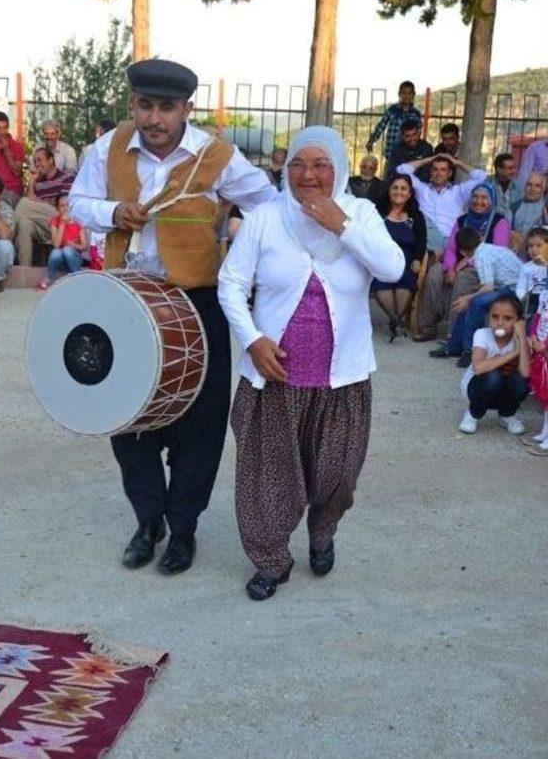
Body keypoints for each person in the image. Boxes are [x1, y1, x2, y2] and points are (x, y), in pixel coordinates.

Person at [69, 58, 277, 575]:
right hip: (127, 297)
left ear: (187, 108)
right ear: (132, 105)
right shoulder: (109, 147)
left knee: (200, 422)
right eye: (145, 106)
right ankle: (148, 521)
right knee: (126, 411)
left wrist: (238, 244)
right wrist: (111, 213)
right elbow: (78, 202)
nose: (154, 118)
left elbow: (269, 207)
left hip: (198, 301)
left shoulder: (218, 156)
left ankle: (183, 528)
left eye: (166, 107)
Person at [218, 126, 404, 601]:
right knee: (268, 474)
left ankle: (323, 530)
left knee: (336, 475)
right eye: (299, 163)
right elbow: (231, 284)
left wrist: (340, 223)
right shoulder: (265, 217)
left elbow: (393, 269)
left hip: (342, 379)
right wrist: (253, 339)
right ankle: (270, 559)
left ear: (338, 170)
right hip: (274, 377)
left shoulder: (360, 213)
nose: (308, 175)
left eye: (321, 165)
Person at [415, 183, 510, 343]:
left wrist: (467, 261)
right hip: (458, 265)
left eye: (484, 197)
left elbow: (496, 253)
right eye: (475, 196)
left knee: (464, 278)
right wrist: (450, 268)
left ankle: (454, 334)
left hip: (484, 269)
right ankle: (428, 327)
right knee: (435, 272)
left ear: (492, 200)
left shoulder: (500, 222)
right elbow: (451, 247)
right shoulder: (462, 220)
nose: (478, 201)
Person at [431, 228, 523, 367]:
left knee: (475, 303)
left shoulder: (482, 256)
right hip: (510, 286)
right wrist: (468, 297)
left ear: (462, 252)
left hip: (516, 290)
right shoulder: (487, 249)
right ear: (479, 238)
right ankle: (454, 346)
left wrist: (468, 297)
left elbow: (488, 287)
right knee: (468, 303)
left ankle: (470, 350)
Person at [457, 294, 529, 435]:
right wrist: (515, 353)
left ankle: (506, 415)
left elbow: (526, 373)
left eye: (507, 318)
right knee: (493, 376)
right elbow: (478, 368)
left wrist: (522, 335)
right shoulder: (482, 334)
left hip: (503, 391)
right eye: (495, 317)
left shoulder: (519, 338)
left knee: (521, 380)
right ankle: (473, 413)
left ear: (519, 320)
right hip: (477, 388)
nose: (500, 322)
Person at [371, 173, 427, 340]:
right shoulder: (377, 213)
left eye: (403, 188)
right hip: (381, 260)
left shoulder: (416, 215)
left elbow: (422, 241)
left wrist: (418, 259)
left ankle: (394, 321)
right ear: (389, 190)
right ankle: (396, 320)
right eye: (395, 187)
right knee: (381, 282)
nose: (399, 192)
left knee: (406, 280)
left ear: (409, 194)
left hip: (407, 261)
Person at [396, 154, 488, 254]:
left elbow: (481, 177)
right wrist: (429, 159)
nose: (438, 173)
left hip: (451, 244)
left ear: (450, 173)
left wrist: (456, 162)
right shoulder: (421, 189)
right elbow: (401, 170)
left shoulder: (458, 192)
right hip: (427, 243)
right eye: (435, 169)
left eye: (443, 170)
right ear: (430, 172)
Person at [15, 148, 75, 267]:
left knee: (23, 203)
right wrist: (31, 181)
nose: (37, 164)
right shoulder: (38, 182)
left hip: (63, 222)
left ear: (51, 160)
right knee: (24, 223)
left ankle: (8, 235)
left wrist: (43, 203)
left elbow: (65, 206)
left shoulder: (66, 177)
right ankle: (24, 271)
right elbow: (31, 201)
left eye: (40, 160)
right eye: (35, 161)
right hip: (46, 224)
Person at [366, 80, 422, 173]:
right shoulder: (392, 110)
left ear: (413, 95)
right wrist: (372, 140)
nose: (406, 96)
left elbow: (418, 134)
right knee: (387, 181)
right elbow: (381, 125)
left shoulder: (415, 114)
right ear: (399, 94)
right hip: (391, 155)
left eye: (409, 93)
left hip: (407, 157)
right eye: (404, 93)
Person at [37, 194, 86, 289]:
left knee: (67, 250)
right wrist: (62, 224)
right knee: (56, 252)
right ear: (57, 208)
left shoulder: (78, 221)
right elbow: (56, 244)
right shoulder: (55, 221)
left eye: (68, 205)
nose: (65, 209)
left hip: (74, 258)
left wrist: (74, 245)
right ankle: (49, 278)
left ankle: (78, 278)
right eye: (62, 206)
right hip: (60, 260)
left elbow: (84, 246)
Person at [524, 298, 548, 454]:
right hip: (541, 353)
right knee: (545, 396)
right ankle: (545, 432)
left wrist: (545, 344)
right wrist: (533, 336)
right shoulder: (545, 294)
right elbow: (537, 317)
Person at [515, 227, 548, 324]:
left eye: (539, 246)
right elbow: (521, 286)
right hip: (532, 301)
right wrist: (523, 296)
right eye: (530, 246)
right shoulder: (526, 267)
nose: (534, 249)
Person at [486, 152, 522, 220]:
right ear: (499, 169)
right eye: (510, 168)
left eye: (514, 168)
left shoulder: (518, 186)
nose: (513, 171)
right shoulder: (487, 184)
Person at [511, 172, 547, 238]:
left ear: (543, 189)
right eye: (529, 185)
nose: (532, 189)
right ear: (525, 187)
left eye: (537, 186)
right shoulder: (515, 206)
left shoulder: (545, 209)